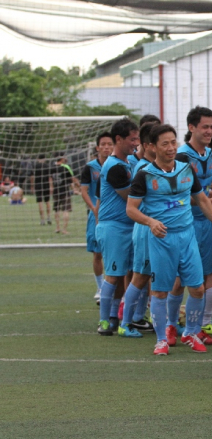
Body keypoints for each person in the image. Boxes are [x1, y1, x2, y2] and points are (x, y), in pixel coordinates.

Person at [126, 124, 212, 356]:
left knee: (197, 288)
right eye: (165, 143)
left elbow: (203, 201)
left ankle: (190, 332)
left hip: (187, 237)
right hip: (162, 239)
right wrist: (150, 222)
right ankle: (161, 341)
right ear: (152, 147)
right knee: (160, 291)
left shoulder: (187, 169)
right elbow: (131, 209)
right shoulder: (144, 174)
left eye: (173, 142)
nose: (170, 147)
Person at [167, 106, 212, 351]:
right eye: (205, 127)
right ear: (191, 128)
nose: (210, 131)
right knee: (181, 280)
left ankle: (198, 326)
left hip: (204, 222)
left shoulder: (210, 154)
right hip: (184, 223)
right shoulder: (181, 156)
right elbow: (176, 192)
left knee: (209, 275)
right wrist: (207, 202)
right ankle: (170, 325)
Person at [95, 118, 140, 336]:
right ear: (119, 139)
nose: (136, 143)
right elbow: (131, 196)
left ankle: (115, 316)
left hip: (129, 226)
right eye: (132, 139)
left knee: (126, 273)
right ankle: (104, 321)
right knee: (113, 274)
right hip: (114, 227)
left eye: (138, 138)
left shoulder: (129, 162)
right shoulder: (113, 167)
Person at [118, 123, 159, 338]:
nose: (168, 147)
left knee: (158, 276)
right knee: (141, 276)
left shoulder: (156, 166)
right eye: (161, 143)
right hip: (145, 228)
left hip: (156, 228)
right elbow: (138, 204)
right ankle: (125, 322)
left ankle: (162, 322)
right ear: (148, 145)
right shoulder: (143, 168)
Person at [81, 132, 114, 304]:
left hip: (113, 215)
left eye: (110, 144)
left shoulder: (117, 165)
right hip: (96, 215)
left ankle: (112, 286)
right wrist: (93, 208)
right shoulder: (90, 167)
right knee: (97, 253)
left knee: (114, 252)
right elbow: (84, 190)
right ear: (98, 147)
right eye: (104, 144)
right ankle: (100, 287)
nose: (107, 147)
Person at [51, 156, 78, 235]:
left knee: (56, 210)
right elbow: (71, 179)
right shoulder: (66, 167)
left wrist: (51, 187)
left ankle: (57, 227)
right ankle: (64, 229)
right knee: (66, 210)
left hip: (56, 191)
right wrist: (75, 188)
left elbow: (50, 178)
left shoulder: (52, 168)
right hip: (65, 191)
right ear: (61, 158)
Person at [33, 154, 52, 226]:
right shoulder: (47, 166)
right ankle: (49, 217)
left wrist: (32, 186)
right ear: (45, 159)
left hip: (38, 185)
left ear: (38, 159)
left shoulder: (36, 166)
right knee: (47, 201)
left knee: (40, 201)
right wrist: (51, 186)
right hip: (46, 184)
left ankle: (42, 219)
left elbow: (33, 176)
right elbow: (50, 177)